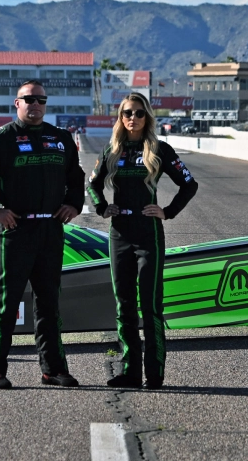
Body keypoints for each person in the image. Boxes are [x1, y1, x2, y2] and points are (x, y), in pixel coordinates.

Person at [0, 80, 84, 390]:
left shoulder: (60, 139)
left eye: (41, 100)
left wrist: (73, 204)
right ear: (16, 104)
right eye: (28, 99)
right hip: (14, 233)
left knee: (49, 305)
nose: (36, 104)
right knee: (4, 304)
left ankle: (53, 370)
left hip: (50, 231)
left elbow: (77, 178)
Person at [88, 92, 198, 389]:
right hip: (119, 233)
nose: (132, 118)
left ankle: (155, 373)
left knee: (150, 306)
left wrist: (167, 211)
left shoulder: (160, 149)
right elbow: (93, 184)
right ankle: (130, 371)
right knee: (124, 305)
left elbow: (189, 184)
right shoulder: (112, 149)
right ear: (120, 117)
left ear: (147, 116)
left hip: (148, 233)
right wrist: (101, 207)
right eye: (127, 113)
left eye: (138, 113)